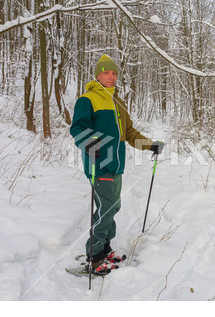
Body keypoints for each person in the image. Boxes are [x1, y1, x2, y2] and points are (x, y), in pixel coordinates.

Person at [70, 54, 164, 276]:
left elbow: (129, 133)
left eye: (114, 73)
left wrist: (150, 145)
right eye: (106, 73)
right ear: (97, 75)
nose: (111, 77)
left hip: (117, 164)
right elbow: (77, 128)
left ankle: (104, 249)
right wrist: (90, 142)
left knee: (114, 207)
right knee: (107, 208)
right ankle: (94, 257)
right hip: (98, 163)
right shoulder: (88, 99)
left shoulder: (118, 102)